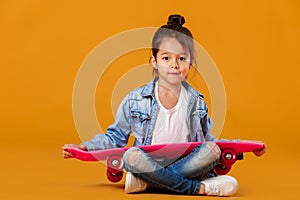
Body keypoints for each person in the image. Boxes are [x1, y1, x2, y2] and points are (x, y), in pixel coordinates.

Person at [63, 14, 265, 196]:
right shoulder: (135, 100)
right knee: (132, 155)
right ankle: (199, 188)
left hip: (186, 164)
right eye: (166, 58)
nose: (174, 65)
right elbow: (115, 138)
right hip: (147, 163)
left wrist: (246, 147)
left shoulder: (196, 101)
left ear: (190, 62)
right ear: (154, 61)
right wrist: (84, 147)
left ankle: (148, 183)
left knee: (211, 150)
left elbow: (208, 140)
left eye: (181, 58)